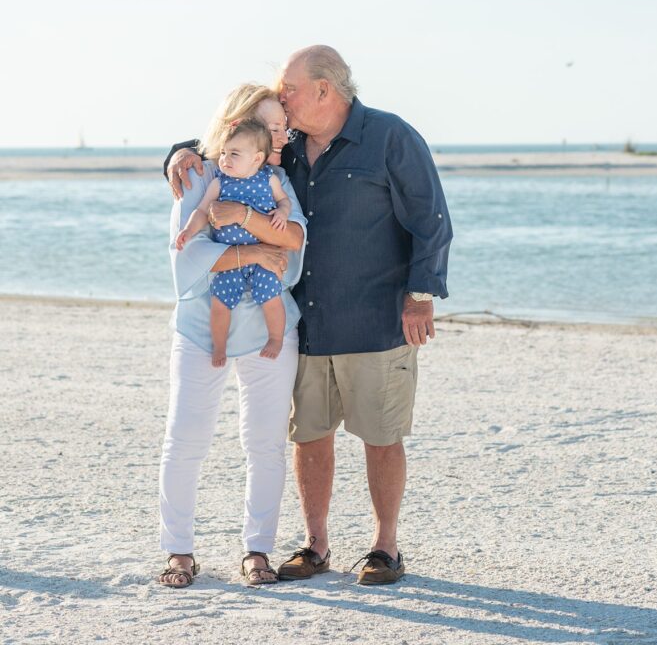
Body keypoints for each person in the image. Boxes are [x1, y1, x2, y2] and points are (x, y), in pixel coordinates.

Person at [168, 47, 453, 586]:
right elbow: (231, 146)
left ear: (325, 89)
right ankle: (316, 544)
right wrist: (179, 152)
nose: (284, 101)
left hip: (376, 316)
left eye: (291, 89)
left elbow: (431, 219)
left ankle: (385, 547)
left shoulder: (391, 137)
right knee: (310, 435)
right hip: (308, 320)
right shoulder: (287, 145)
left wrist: (421, 294)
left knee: (381, 434)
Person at [158, 85, 306, 589]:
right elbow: (189, 261)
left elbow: (293, 242)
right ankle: (179, 552)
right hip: (202, 327)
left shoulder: (280, 175)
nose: (279, 134)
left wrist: (249, 223)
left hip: (269, 328)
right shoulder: (199, 175)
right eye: (269, 125)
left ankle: (257, 551)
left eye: (281, 127)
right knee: (185, 440)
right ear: (238, 127)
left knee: (265, 444)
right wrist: (252, 254)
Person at [176, 118, 292, 363]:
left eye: (234, 154)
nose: (225, 159)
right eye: (224, 153)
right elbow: (200, 211)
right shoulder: (219, 183)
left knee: (271, 298)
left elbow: (284, 201)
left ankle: (275, 338)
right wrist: (187, 231)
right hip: (231, 259)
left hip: (264, 260)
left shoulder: (268, 179)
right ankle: (219, 347)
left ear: (257, 159)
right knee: (220, 303)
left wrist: (282, 212)